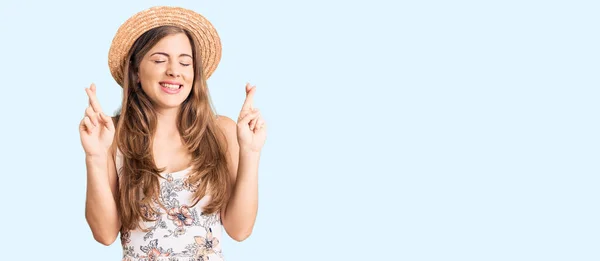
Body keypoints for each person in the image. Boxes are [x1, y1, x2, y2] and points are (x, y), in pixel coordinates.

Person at [79, 6, 266, 261]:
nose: (174, 71)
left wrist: (251, 152)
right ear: (135, 72)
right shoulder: (113, 135)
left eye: (185, 62)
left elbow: (240, 229)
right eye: (159, 60)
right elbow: (104, 234)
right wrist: (95, 157)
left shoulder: (222, 131)